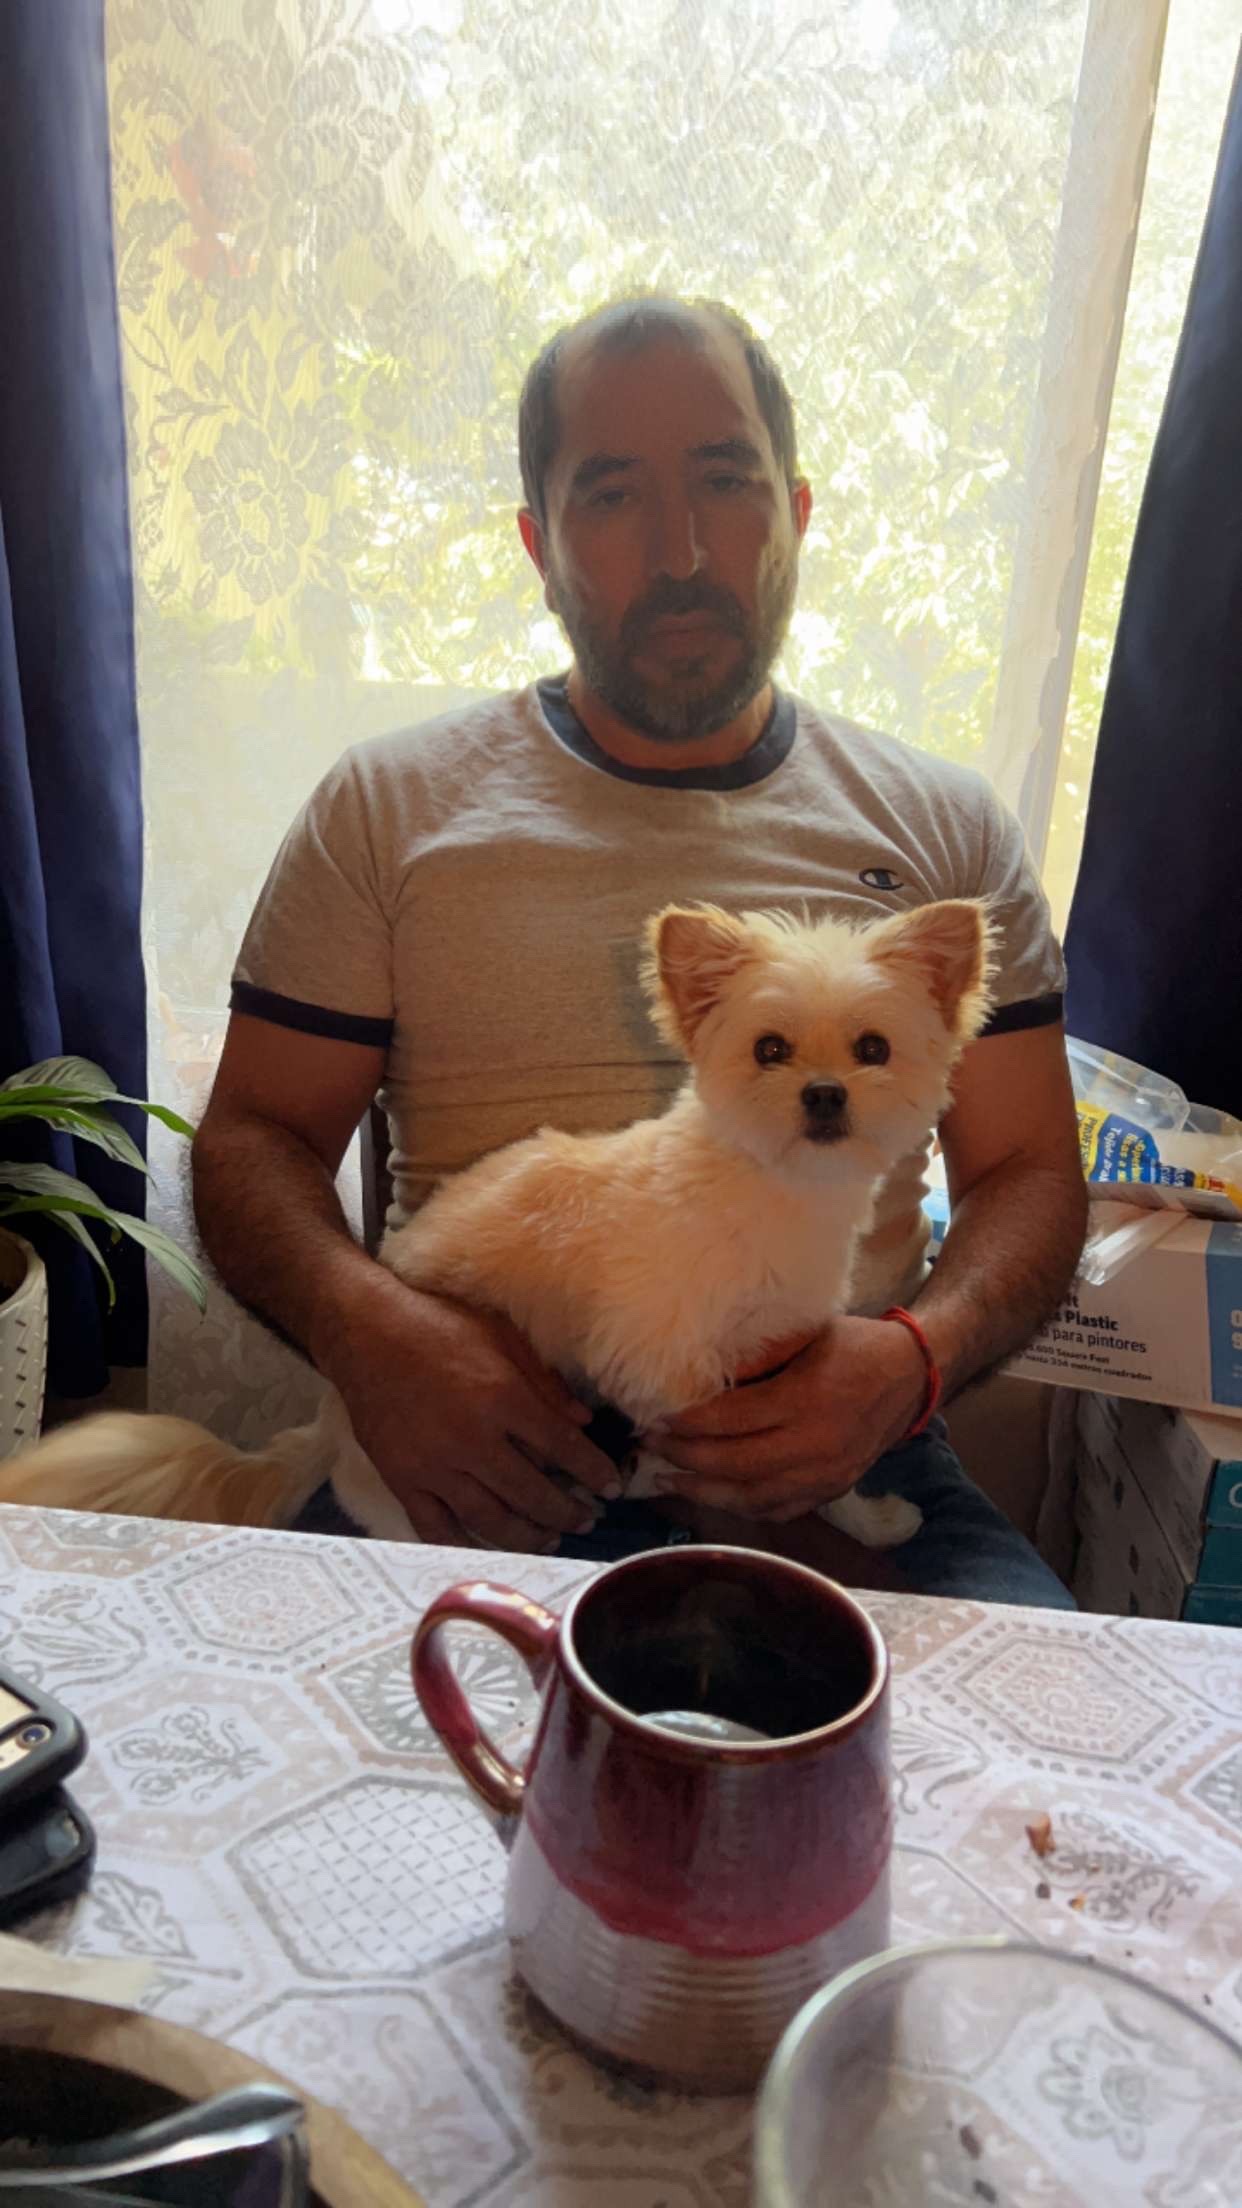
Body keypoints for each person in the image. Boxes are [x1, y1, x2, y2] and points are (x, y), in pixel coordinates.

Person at [193, 295, 1086, 1604]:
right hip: (472, 1446)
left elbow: (1031, 1173)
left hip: (849, 1438)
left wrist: (914, 1359)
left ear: (796, 511)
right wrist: (371, 1334)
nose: (681, 550)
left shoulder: (946, 829)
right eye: (611, 497)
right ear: (538, 544)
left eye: (725, 481)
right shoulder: (387, 808)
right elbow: (251, 1139)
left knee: (1039, 1740)